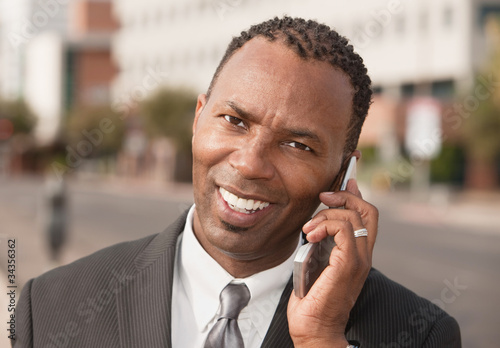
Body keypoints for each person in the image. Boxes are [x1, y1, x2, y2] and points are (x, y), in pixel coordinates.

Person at [13, 16, 461, 348]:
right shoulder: (51, 305)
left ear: (343, 173)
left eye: (298, 146)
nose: (249, 164)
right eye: (233, 120)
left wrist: (322, 337)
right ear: (197, 118)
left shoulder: (418, 332)